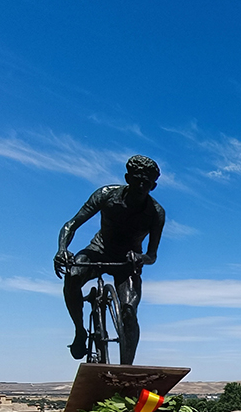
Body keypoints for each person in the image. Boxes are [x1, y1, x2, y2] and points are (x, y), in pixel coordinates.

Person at [54, 155, 165, 364]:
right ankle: (80, 330)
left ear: (153, 186)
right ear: (127, 178)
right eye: (136, 180)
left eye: (146, 183)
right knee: (73, 275)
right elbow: (72, 224)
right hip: (99, 249)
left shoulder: (156, 213)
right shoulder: (106, 195)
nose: (141, 187)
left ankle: (126, 368)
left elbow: (152, 255)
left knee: (129, 311)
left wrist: (140, 258)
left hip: (127, 261)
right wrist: (62, 249)